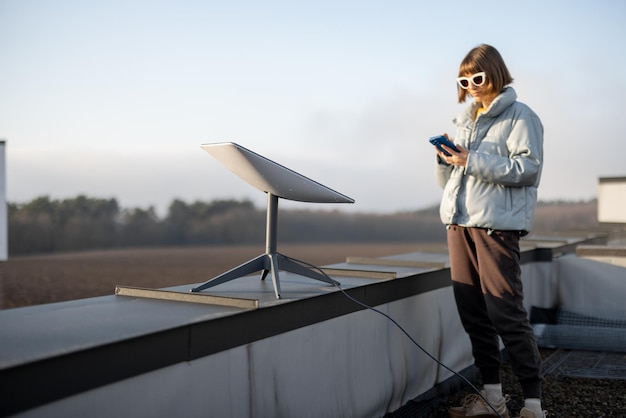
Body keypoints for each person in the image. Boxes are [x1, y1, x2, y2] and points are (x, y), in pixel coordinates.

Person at [433, 44, 546, 418]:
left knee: (505, 312)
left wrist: (471, 159)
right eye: (464, 79)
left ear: (495, 73)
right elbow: (448, 181)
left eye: (478, 77)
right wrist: (446, 160)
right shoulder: (465, 121)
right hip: (458, 224)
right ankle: (493, 397)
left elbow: (527, 171)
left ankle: (533, 404)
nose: (472, 85)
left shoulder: (520, 116)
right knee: (473, 312)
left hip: (496, 228)